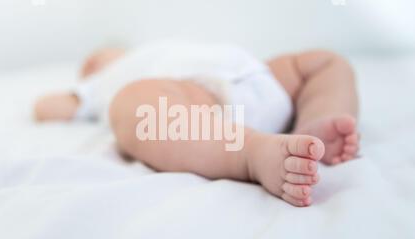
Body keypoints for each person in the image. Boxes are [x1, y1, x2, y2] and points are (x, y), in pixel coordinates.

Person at [35, 41, 359, 207]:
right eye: (95, 59)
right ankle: (249, 152)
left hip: (254, 74)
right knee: (134, 102)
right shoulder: (98, 83)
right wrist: (72, 95)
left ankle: (313, 126)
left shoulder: (157, 49)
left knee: (324, 61)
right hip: (191, 99)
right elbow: (47, 108)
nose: (102, 57)